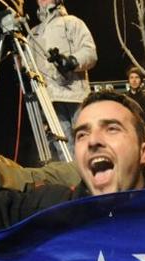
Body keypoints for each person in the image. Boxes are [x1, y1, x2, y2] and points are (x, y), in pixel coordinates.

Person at [31, 0, 97, 161]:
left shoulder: (72, 22)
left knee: (86, 140)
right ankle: (73, 183)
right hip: (50, 98)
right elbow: (29, 65)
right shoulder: (33, 32)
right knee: (63, 149)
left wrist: (71, 61)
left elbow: (90, 53)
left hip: (75, 95)